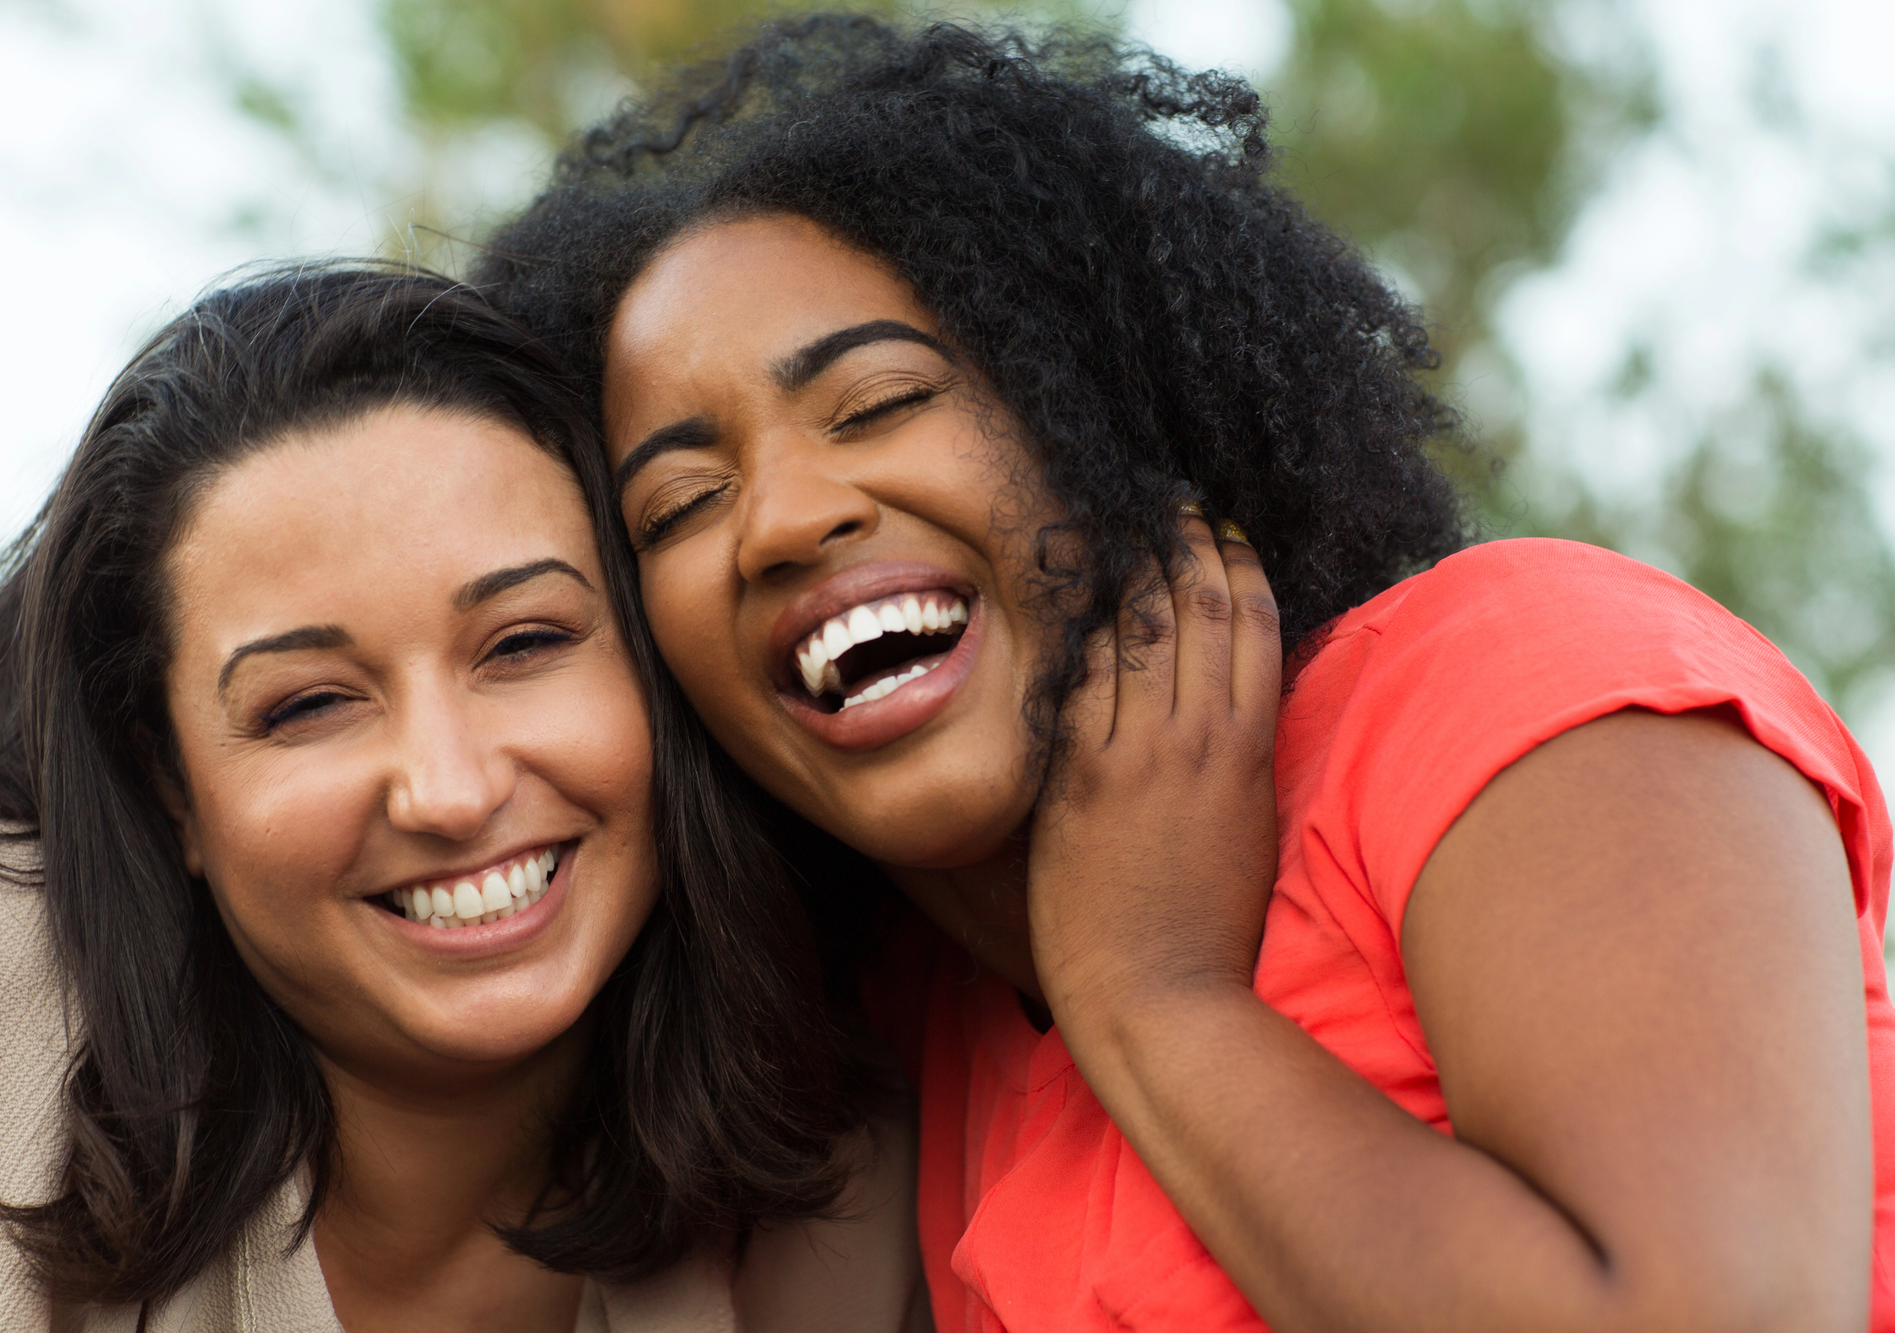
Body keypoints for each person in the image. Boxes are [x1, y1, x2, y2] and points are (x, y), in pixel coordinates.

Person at [479, 16, 1895, 1333]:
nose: (783, 521)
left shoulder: (1512, 678)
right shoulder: (908, 1033)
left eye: (882, 402)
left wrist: (1159, 1000)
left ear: (1102, 400)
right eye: (674, 507)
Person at [0, 264, 929, 1332]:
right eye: (307, 706)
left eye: (525, 642)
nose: (450, 789)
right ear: (170, 783)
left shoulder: (848, 1196)